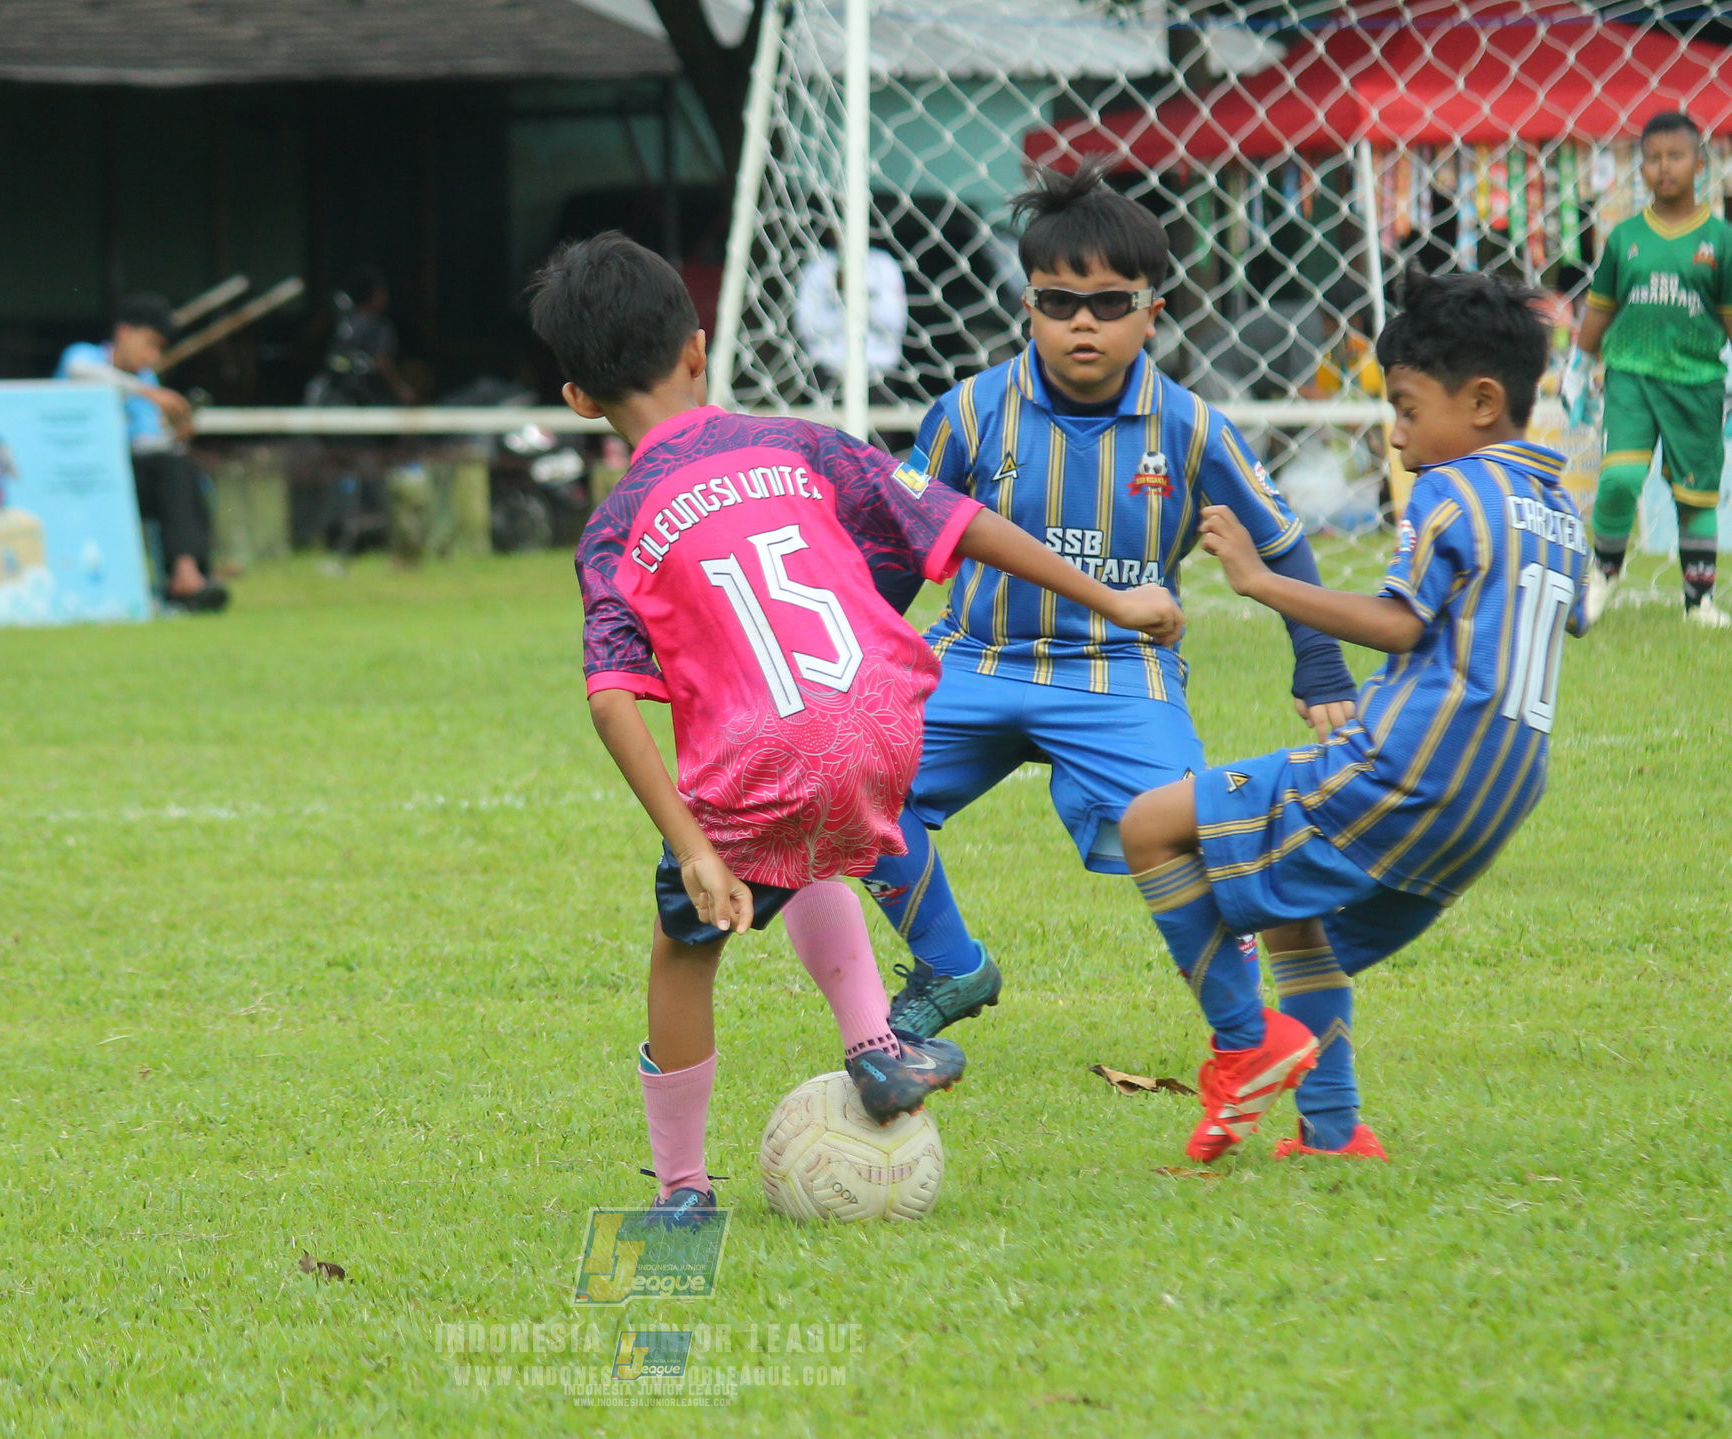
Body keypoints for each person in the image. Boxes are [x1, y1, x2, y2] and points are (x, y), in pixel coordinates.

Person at [535, 231, 1185, 1220]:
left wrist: (689, 845)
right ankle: (876, 1049)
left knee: (685, 947)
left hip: (763, 754)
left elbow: (611, 693)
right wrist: (1111, 598)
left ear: (578, 398)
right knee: (812, 850)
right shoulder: (798, 441)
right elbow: (957, 519)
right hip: (884, 724)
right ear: (697, 349)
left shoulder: (615, 524)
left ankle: (680, 1187)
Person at [859, 161, 1359, 1039]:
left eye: (1110, 302)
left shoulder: (1191, 427)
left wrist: (1320, 667)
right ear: (1027, 307)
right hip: (977, 657)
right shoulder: (968, 415)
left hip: (1120, 668)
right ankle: (951, 963)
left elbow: (1282, 546)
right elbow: (902, 548)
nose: (1082, 321)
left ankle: (1245, 1041)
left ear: (1152, 314)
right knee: (850, 785)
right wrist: (841, 656)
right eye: (1058, 301)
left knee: (1186, 839)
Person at [1119, 269, 1587, 1163]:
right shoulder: (1556, 508)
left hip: (1407, 765)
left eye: (1408, 409)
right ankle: (1335, 1134)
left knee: (1149, 825)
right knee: (1307, 928)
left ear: (1482, 401)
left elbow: (1402, 621)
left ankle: (1244, 1037)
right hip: (1495, 799)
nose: (1399, 435)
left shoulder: (1454, 489)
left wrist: (1263, 581)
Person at [1563, 111, 1732, 629]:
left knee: (1696, 492)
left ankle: (1698, 602)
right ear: (1640, 169)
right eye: (1653, 159)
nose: (1664, 168)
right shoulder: (1624, 238)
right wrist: (1579, 363)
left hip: (1698, 382)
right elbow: (1601, 308)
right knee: (1619, 480)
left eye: (1675, 156)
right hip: (1630, 376)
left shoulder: (1721, 240)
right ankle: (1604, 578)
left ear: (1700, 163)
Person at [56, 294, 228, 612]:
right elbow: (78, 372)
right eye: (150, 344)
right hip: (79, 475)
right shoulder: (86, 356)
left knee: (183, 468)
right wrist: (146, 392)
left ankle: (187, 572)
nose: (153, 355)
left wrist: (174, 434)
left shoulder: (147, 380)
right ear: (124, 333)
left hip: (131, 477)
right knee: (175, 470)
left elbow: (148, 440)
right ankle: (187, 576)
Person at [793, 232, 908, 389]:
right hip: (827, 374)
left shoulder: (884, 266)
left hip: (878, 376)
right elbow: (806, 328)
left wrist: (860, 297)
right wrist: (842, 303)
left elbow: (896, 324)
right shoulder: (817, 268)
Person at [304, 265, 417, 407]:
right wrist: (401, 389)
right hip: (362, 398)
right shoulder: (379, 326)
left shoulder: (340, 321)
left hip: (331, 397)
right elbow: (382, 361)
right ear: (377, 294)